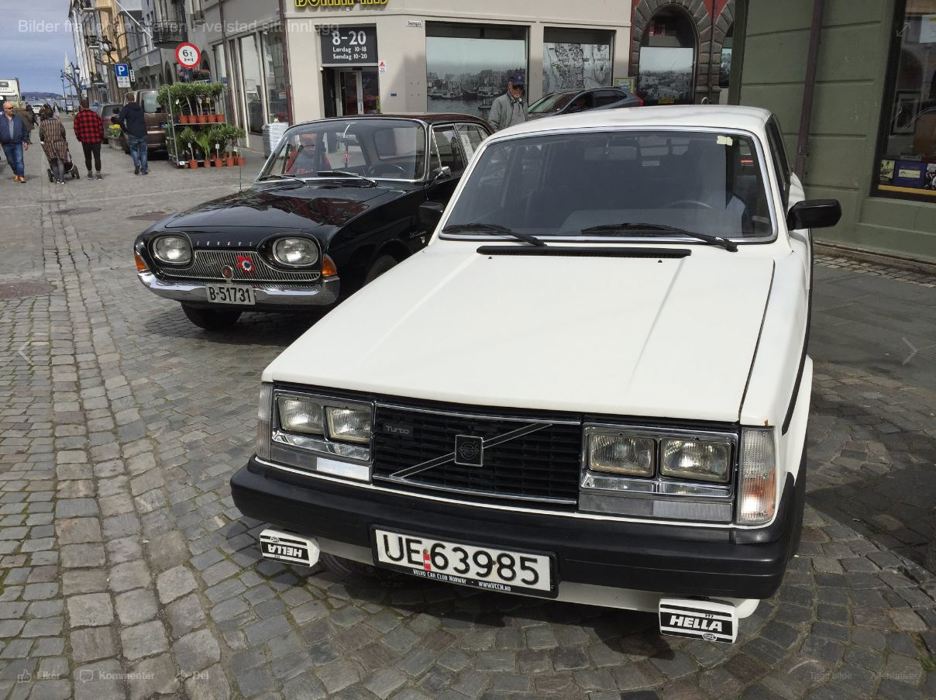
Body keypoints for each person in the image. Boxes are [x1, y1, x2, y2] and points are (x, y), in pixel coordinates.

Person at [38, 105, 72, 184]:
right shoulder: (58, 122)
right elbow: (63, 132)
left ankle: (57, 179)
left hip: (49, 145)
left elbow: (41, 135)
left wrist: (43, 140)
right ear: (52, 114)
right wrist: (63, 138)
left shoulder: (43, 123)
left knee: (53, 163)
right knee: (60, 162)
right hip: (59, 144)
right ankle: (62, 180)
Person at [73, 98, 104, 179]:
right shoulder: (95, 114)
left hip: (85, 140)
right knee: (97, 157)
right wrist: (101, 137)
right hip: (96, 140)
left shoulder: (78, 116)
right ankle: (98, 174)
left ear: (82, 106)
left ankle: (90, 173)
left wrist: (79, 138)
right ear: (88, 105)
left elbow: (76, 129)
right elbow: (101, 127)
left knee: (88, 158)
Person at [118, 93, 148, 175]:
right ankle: (144, 169)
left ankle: (137, 164)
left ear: (127, 99)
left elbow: (120, 120)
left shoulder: (126, 109)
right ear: (134, 98)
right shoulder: (140, 108)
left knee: (134, 150)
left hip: (132, 132)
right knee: (143, 151)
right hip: (143, 132)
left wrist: (125, 129)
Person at [0, 101, 30, 183]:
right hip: (6, 144)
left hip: (17, 143)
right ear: (5, 109)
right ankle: (16, 173)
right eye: (10, 108)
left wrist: (25, 141)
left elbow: (24, 130)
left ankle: (21, 176)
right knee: (11, 161)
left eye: (12, 107)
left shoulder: (18, 118)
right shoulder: (1, 119)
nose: (12, 109)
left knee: (19, 160)